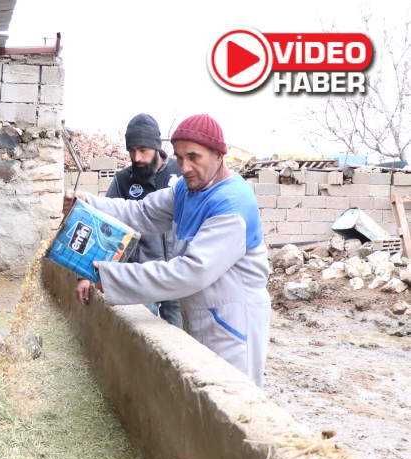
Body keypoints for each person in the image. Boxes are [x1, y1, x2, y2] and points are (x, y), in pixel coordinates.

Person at [64, 114, 271, 387]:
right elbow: (140, 212)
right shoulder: (186, 190)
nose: (185, 167)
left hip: (233, 321)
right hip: (199, 311)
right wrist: (88, 203)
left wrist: (113, 277)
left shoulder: (233, 205)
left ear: (220, 155)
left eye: (194, 157)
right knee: (200, 391)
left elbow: (190, 273)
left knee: (231, 394)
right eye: (180, 157)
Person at [75, 113, 183, 328]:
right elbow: (103, 226)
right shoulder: (123, 180)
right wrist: (84, 275)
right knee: (144, 335)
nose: (137, 158)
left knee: (182, 337)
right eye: (132, 151)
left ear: (157, 148)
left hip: (176, 273)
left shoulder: (179, 175)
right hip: (141, 275)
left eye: (143, 150)